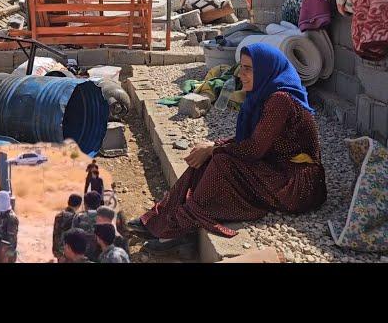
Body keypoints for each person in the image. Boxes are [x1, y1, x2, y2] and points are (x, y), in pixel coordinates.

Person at [127, 43, 327, 252]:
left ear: (266, 69)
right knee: (210, 157)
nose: (241, 74)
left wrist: (214, 149)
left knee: (222, 162)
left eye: (249, 68)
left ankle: (180, 228)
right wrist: (213, 146)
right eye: (241, 67)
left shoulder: (280, 100)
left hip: (297, 184)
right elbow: (252, 140)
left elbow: (253, 150)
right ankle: (160, 217)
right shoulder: (264, 93)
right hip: (276, 166)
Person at [0, 190, 19, 263]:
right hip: (1, 253)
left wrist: (5, 258)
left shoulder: (11, 218)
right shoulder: (3, 215)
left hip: (5, 255)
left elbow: (10, 241)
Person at [71, 191, 101, 261]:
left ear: (85, 204)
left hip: (81, 255)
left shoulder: (79, 216)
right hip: (98, 255)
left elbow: (72, 235)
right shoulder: (104, 217)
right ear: (99, 204)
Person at [52, 193, 82, 261]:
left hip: (58, 251)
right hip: (70, 253)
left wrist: (57, 253)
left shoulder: (59, 215)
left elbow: (56, 234)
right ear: (79, 205)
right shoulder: (75, 218)